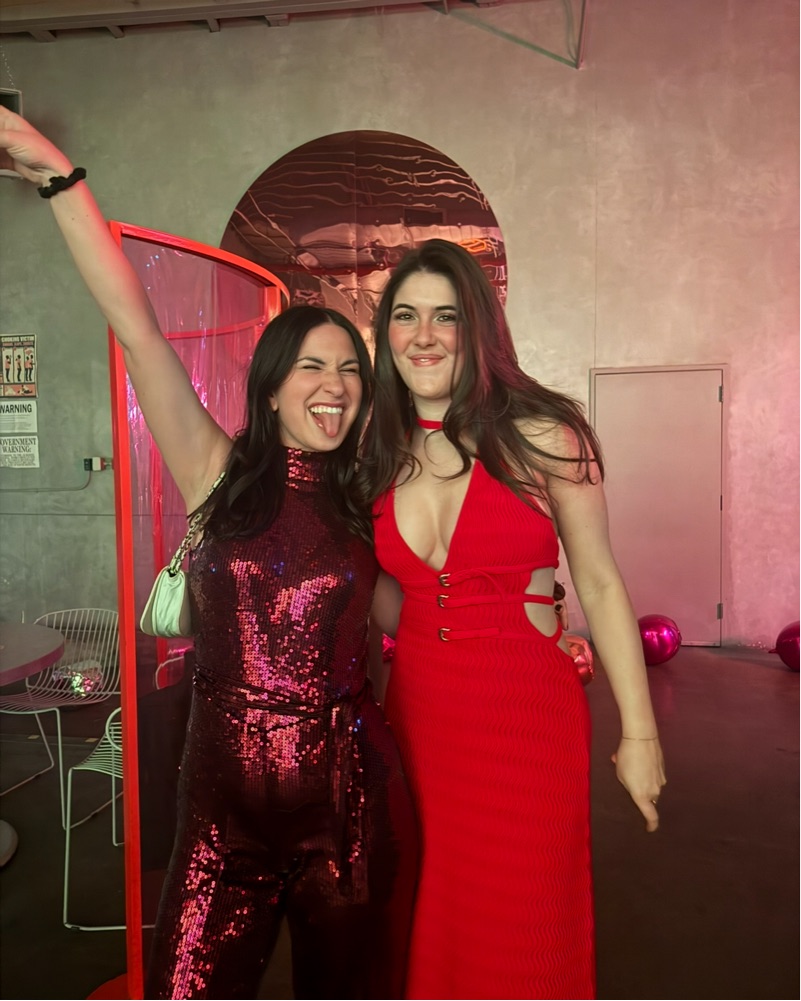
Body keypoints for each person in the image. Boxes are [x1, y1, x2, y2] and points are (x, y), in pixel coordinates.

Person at [0, 110, 418, 1000]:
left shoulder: (368, 504)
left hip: (349, 808)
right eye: (312, 367)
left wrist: (532, 629)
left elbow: (416, 625)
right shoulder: (218, 472)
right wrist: (57, 176)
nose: (335, 386)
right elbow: (136, 327)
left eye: (349, 370)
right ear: (269, 389)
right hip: (222, 821)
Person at [360, 238, 667, 1000]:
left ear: (478, 327)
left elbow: (598, 581)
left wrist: (639, 733)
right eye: (405, 316)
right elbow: (395, 598)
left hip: (525, 719)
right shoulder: (374, 453)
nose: (423, 335)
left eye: (445, 316)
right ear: (385, 332)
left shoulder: (544, 434)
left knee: (527, 919)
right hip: (421, 720)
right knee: (436, 915)